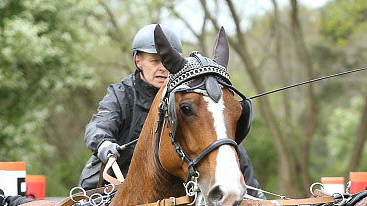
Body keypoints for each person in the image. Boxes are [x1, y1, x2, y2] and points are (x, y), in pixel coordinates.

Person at [78, 23, 259, 192]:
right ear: (138, 61)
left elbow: (213, 139)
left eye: (166, 62)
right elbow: (98, 126)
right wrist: (104, 144)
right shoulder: (121, 94)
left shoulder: (187, 100)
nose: (162, 68)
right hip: (115, 183)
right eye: (154, 61)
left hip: (172, 191)